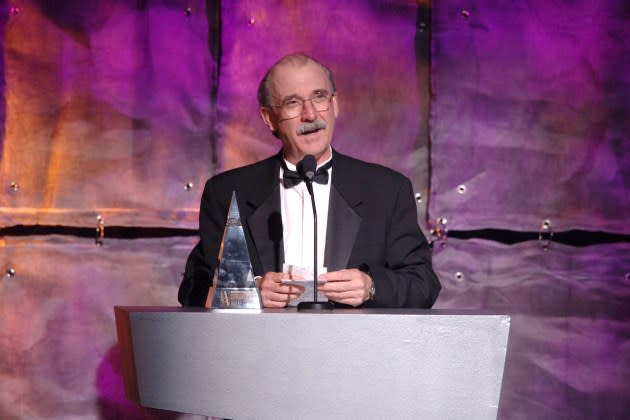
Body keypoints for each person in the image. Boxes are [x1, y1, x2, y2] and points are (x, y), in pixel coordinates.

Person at [178, 53, 440, 308]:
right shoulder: (226, 192)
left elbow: (423, 284)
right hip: (262, 350)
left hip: (355, 349)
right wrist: (247, 292)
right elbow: (193, 288)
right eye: (293, 102)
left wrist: (371, 286)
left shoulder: (387, 190)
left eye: (319, 97)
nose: (310, 114)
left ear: (334, 104)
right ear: (269, 118)